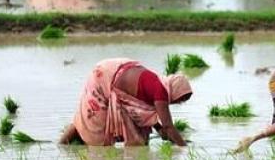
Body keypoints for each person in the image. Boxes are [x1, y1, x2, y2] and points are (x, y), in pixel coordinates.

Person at [59, 58, 192, 147]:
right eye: (181, 98)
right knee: (96, 128)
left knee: (138, 134)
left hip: (114, 69)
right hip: (104, 77)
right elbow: (169, 125)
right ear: (176, 90)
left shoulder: (158, 84)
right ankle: (61, 146)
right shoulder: (161, 92)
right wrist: (183, 147)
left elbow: (144, 113)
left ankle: (62, 145)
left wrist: (159, 129)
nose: (179, 103)